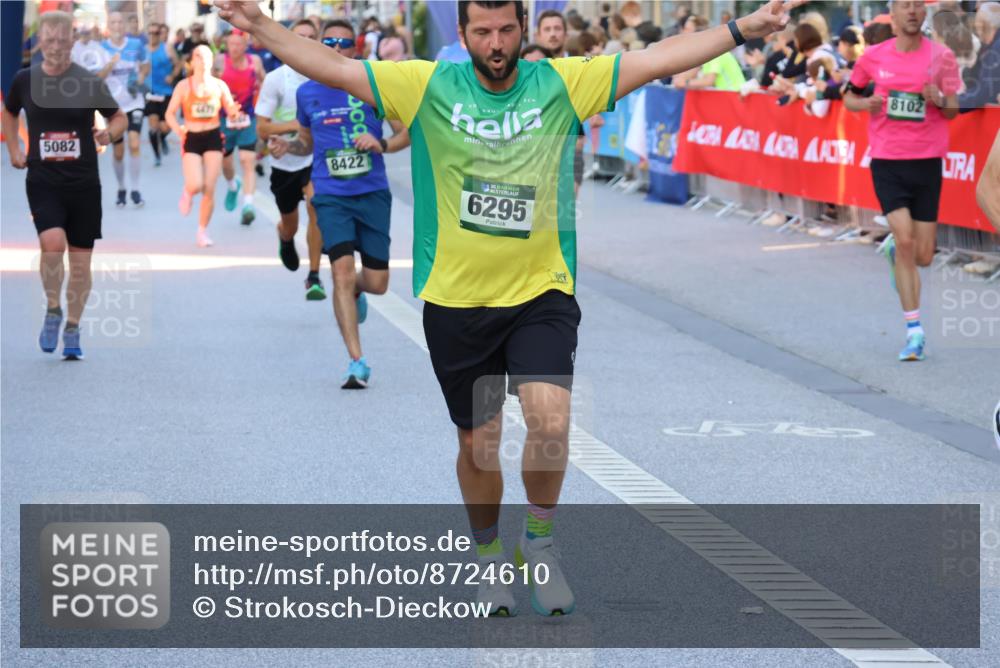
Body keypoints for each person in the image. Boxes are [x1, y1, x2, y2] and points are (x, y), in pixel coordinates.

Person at [217, 0, 800, 618]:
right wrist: (258, 24)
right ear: (464, 35)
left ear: (522, 30)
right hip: (457, 298)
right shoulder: (427, 86)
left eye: (505, 30)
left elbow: (657, 58)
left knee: (550, 423)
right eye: (482, 32)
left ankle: (540, 543)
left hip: (540, 291)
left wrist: (744, 29)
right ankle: (490, 556)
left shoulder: (561, 83)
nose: (495, 44)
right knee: (480, 445)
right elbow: (331, 67)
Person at [268, 20, 410, 389]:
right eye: (327, 41)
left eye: (343, 42)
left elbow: (405, 133)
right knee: (342, 272)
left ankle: (360, 290)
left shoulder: (375, 88)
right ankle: (356, 361)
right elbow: (306, 142)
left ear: (355, 47)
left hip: (372, 192)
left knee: (377, 282)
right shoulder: (308, 93)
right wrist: (289, 147)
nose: (334, 47)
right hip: (330, 195)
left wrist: (383, 145)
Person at [2, 10, 126, 360]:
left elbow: (119, 116)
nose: (56, 46)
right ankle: (53, 308)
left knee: (82, 263)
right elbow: (9, 112)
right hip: (43, 180)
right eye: (49, 39)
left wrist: (109, 132)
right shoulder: (25, 80)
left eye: (62, 40)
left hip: (84, 183)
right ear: (40, 41)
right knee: (52, 242)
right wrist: (15, 146)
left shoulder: (87, 82)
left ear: (72, 41)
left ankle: (72, 325)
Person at [845, 0, 961, 362]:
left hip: (927, 162)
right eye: (904, 7)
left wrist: (939, 99)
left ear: (923, 15)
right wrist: (867, 105)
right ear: (892, 16)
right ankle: (914, 332)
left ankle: (897, 251)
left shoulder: (941, 57)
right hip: (888, 161)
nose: (912, 11)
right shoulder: (873, 57)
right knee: (907, 239)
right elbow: (848, 95)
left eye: (916, 6)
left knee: (923, 255)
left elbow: (953, 109)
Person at [255, 19, 328, 300]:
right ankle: (284, 238)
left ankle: (314, 277)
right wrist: (297, 127)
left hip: (316, 159)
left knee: (315, 206)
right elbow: (262, 128)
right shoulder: (277, 79)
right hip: (284, 162)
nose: (306, 41)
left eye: (312, 36)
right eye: (300, 36)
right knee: (291, 224)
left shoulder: (325, 75)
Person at [164, 44, 242, 247]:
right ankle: (188, 192)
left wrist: (234, 111)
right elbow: (169, 113)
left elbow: (230, 110)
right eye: (198, 55)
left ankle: (202, 232)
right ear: (192, 61)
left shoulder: (219, 85)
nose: (203, 59)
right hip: (192, 138)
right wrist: (178, 129)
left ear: (212, 60)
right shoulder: (184, 86)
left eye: (207, 55)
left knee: (209, 188)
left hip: (213, 137)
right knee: (196, 185)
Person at [215, 30, 265, 225]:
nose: (234, 48)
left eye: (238, 44)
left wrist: (263, 98)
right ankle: (232, 185)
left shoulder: (255, 61)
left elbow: (264, 79)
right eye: (231, 44)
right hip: (224, 120)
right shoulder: (220, 61)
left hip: (247, 119)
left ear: (246, 46)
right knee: (226, 165)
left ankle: (248, 205)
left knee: (247, 160)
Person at [102, 11, 148, 208]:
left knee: (135, 144)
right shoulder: (101, 48)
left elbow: (146, 67)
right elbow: (97, 77)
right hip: (113, 107)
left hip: (134, 102)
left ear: (125, 25)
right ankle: (122, 188)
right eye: (113, 22)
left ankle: (136, 189)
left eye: (120, 22)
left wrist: (138, 80)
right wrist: (111, 64)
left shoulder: (136, 45)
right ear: (109, 26)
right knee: (119, 152)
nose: (118, 25)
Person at [145, 23, 179, 167]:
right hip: (150, 93)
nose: (153, 36)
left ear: (160, 34)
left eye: (156, 33)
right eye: (150, 33)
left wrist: (172, 75)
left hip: (166, 93)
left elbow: (179, 65)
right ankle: (157, 156)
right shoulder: (143, 50)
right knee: (153, 126)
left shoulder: (167, 48)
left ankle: (163, 137)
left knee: (166, 127)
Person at [959, 2, 1000, 110]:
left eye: (977, 26)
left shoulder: (996, 48)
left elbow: (983, 94)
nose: (977, 31)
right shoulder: (990, 47)